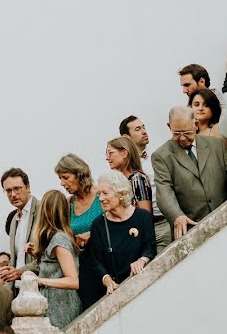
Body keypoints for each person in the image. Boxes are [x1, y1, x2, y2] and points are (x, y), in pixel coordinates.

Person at [154, 106, 227, 239]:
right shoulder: (161, 156)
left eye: (187, 132)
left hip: (226, 220)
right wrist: (177, 216)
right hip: (192, 229)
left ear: (195, 125)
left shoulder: (216, 145)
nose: (182, 138)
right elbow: (164, 192)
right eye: (176, 133)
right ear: (169, 126)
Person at [81, 172, 156, 305]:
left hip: (144, 286)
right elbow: (96, 261)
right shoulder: (98, 225)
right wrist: (106, 279)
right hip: (116, 291)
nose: (100, 198)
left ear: (121, 194)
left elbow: (150, 247)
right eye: (99, 194)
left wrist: (142, 260)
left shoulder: (142, 217)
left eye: (105, 193)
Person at [26, 190, 80, 328]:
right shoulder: (54, 238)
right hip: (55, 305)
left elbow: (73, 281)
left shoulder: (59, 240)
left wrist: (40, 281)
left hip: (62, 307)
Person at [118, 116, 170, 254]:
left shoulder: (157, 157)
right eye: (138, 129)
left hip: (163, 221)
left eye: (143, 127)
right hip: (139, 231)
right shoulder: (123, 169)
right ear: (126, 137)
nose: (144, 131)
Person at [0, 167, 41, 285]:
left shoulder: (42, 211)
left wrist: (20, 272)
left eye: (17, 188)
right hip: (18, 288)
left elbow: (49, 258)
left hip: (40, 286)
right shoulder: (14, 219)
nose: (13, 194)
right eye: (8, 191)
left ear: (28, 187)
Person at [55, 154, 101, 248]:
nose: (62, 183)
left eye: (66, 178)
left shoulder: (101, 195)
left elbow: (117, 226)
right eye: (60, 179)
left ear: (79, 174)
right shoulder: (68, 203)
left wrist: (93, 234)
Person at [105, 137, 152, 214]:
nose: (107, 158)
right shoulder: (118, 181)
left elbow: (146, 215)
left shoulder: (138, 179)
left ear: (124, 153)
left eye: (110, 153)